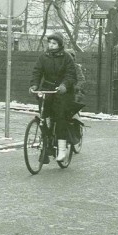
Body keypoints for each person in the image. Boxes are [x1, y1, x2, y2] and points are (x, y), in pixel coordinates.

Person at [30, 32, 77, 162]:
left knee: (60, 117)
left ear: (60, 44)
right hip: (47, 90)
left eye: (54, 43)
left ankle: (61, 149)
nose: (51, 45)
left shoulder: (67, 58)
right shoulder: (43, 57)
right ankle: (46, 146)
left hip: (62, 92)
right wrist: (34, 85)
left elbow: (71, 75)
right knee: (43, 117)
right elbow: (37, 72)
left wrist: (64, 86)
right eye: (49, 43)